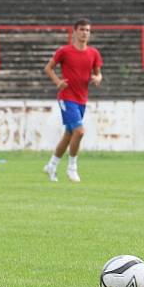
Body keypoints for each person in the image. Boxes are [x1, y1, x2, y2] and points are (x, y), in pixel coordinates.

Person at [42, 18, 103, 183]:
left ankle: (51, 166)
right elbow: (48, 68)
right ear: (75, 31)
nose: (85, 33)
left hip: (82, 99)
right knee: (80, 131)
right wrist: (58, 82)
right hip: (67, 97)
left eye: (88, 30)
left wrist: (97, 78)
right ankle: (72, 168)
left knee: (69, 135)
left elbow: (98, 73)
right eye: (82, 29)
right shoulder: (65, 51)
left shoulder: (93, 53)